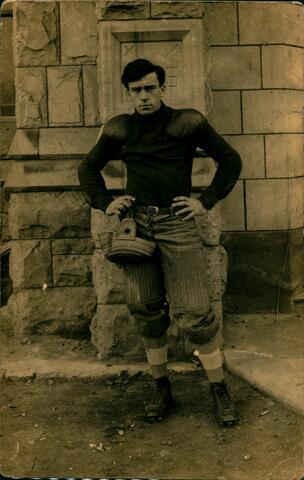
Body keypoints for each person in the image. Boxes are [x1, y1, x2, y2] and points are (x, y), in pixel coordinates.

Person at [78, 58, 242, 426]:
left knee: (196, 313)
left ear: (162, 89)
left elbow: (230, 160)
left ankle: (218, 389)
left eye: (150, 88)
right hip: (137, 227)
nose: (144, 96)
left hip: (177, 223)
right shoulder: (119, 128)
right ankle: (161, 386)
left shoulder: (187, 122)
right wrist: (107, 203)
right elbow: (87, 168)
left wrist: (204, 201)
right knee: (146, 310)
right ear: (128, 93)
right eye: (136, 90)